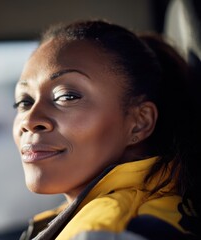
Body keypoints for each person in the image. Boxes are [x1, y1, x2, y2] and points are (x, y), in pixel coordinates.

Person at [12, 19, 201, 240]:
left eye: (66, 96)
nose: (30, 119)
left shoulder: (107, 230)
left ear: (139, 122)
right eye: (24, 101)